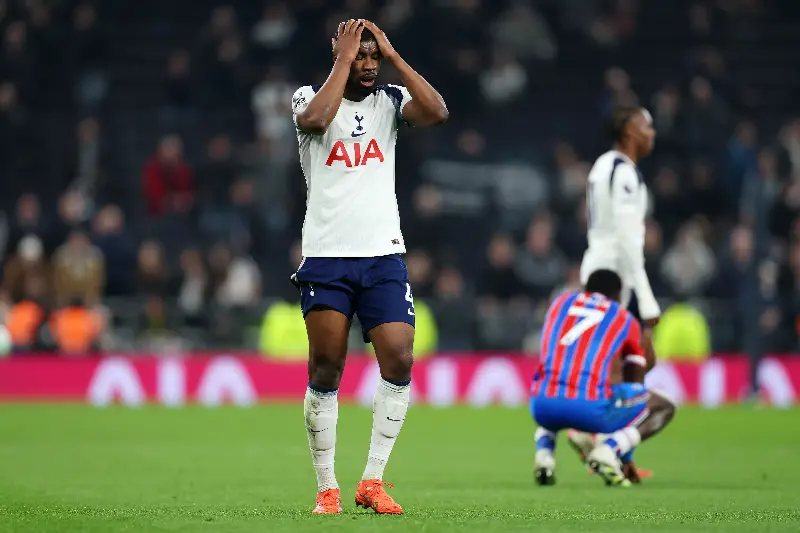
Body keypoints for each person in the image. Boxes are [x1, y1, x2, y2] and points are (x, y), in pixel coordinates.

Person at [290, 19, 448, 515]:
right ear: (339, 52)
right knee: (326, 367)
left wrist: (395, 55)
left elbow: (438, 111)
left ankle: (372, 480)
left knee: (399, 358)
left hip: (383, 255)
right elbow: (315, 122)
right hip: (328, 256)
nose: (369, 64)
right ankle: (327, 487)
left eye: (373, 56)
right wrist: (343, 59)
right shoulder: (307, 97)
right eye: (360, 54)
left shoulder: (390, 103)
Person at [571, 106, 663, 480]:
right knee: (631, 362)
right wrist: (647, 297)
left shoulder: (604, 166)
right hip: (614, 273)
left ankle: (607, 445)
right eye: (646, 125)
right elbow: (626, 237)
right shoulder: (622, 171)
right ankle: (599, 438)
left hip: (603, 265)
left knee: (622, 362)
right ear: (628, 131)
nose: (652, 132)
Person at [530, 270, 675, 487]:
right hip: (588, 408)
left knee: (556, 384)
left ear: (585, 288)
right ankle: (609, 450)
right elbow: (633, 381)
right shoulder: (622, 317)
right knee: (664, 405)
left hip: (540, 405)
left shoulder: (559, 303)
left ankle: (544, 454)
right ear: (618, 295)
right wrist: (626, 452)